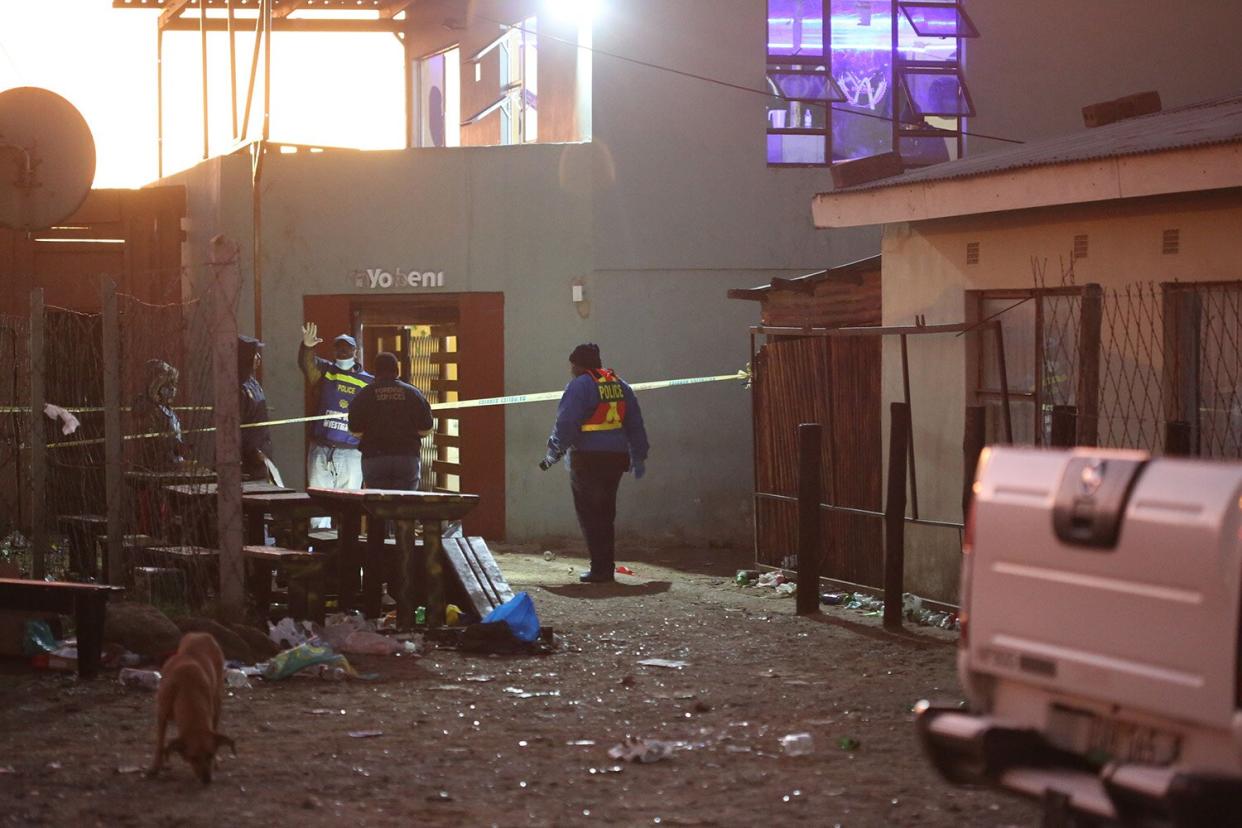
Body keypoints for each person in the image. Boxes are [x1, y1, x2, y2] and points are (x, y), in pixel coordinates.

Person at [540, 343, 649, 584]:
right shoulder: (620, 385)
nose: (571, 369)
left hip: (588, 459)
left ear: (578, 365)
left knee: (590, 514)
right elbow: (635, 423)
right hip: (615, 459)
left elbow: (566, 423)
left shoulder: (579, 386)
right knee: (605, 513)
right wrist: (639, 454)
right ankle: (605, 567)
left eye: (572, 365)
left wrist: (553, 453)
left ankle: (599, 569)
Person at [299, 322, 373, 525]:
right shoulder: (325, 371)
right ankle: (320, 552)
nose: (343, 351)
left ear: (355, 352)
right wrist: (307, 347)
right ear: (333, 351)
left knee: (348, 509)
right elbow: (308, 365)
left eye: (347, 348)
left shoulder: (368, 382)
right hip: (321, 448)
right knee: (319, 509)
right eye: (339, 348)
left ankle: (347, 552)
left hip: (350, 452)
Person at [347, 351, 434, 490]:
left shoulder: (364, 395)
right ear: (397, 370)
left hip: (374, 457)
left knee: (377, 506)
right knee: (404, 504)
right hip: (407, 457)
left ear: (376, 372)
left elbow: (354, 429)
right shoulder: (414, 393)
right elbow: (427, 428)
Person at [239, 335, 280, 484]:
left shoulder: (253, 383)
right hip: (247, 465)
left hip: (261, 459)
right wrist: (251, 452)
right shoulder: (239, 387)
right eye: (254, 353)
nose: (258, 357)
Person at [132, 358, 185, 472]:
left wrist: (180, 447)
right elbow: (154, 441)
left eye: (173, 384)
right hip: (154, 467)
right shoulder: (149, 409)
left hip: (172, 465)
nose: (172, 388)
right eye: (166, 385)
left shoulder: (169, 410)